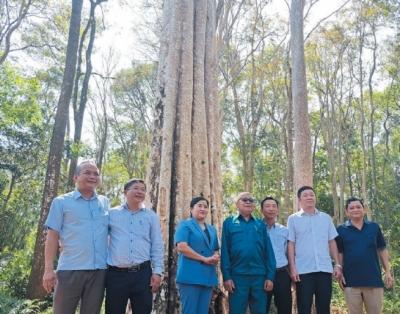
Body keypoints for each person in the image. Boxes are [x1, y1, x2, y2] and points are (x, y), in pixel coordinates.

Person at [43, 161, 109, 314]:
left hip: (98, 271)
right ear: (76, 177)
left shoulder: (104, 202)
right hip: (70, 269)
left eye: (96, 174)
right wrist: (48, 269)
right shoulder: (61, 202)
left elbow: (106, 234)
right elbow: (52, 236)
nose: (92, 176)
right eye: (87, 172)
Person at [105, 178, 163, 314]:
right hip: (116, 275)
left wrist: (157, 271)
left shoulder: (151, 216)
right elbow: (99, 239)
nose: (140, 192)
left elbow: (157, 245)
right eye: (136, 188)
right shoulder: (111, 214)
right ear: (126, 192)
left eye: (143, 189)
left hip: (143, 274)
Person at [287, 186, 342, 314]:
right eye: (305, 195)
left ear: (315, 198)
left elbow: (332, 241)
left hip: (324, 268)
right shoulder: (293, 219)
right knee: (304, 307)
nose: (309, 197)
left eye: (311, 194)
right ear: (299, 200)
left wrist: (337, 264)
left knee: (324, 307)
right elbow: (291, 243)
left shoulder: (326, 218)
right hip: (303, 270)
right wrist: (292, 267)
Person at [221, 192, 276, 314]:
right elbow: (225, 251)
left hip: (259, 277)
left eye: (251, 200)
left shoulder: (260, 224)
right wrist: (227, 277)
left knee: (260, 311)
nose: (248, 202)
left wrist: (270, 277)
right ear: (237, 203)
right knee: (236, 311)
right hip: (237, 277)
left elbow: (269, 251)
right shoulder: (229, 223)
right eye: (244, 199)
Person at [336, 197, 393, 314]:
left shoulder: (374, 227)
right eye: (351, 208)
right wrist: (339, 271)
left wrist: (387, 271)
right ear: (347, 211)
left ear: (364, 209)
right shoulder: (341, 230)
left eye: (358, 207)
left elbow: (382, 250)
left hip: (373, 280)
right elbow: (340, 252)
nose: (355, 210)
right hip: (350, 281)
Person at [175, 197, 220, 314]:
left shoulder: (212, 229)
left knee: (203, 311)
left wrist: (215, 256)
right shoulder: (185, 225)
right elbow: (182, 247)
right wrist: (204, 259)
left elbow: (215, 248)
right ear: (191, 209)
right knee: (190, 311)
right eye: (199, 206)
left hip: (208, 275)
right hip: (190, 275)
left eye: (205, 207)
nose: (203, 209)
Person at [261, 197, 292, 314]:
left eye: (274, 206)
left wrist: (291, 272)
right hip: (263, 273)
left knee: (285, 308)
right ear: (261, 210)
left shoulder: (284, 230)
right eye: (267, 206)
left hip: (282, 274)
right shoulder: (256, 229)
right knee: (262, 308)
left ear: (278, 210)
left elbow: (288, 253)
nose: (271, 209)